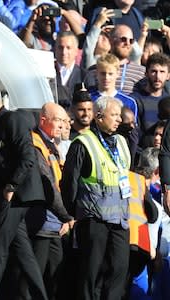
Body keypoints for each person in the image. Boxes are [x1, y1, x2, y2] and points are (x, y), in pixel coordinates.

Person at [0, 82, 47, 300]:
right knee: (24, 255)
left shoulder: (12, 120)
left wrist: (12, 186)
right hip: (7, 196)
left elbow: (27, 156)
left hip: (15, 198)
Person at [61, 96, 131, 300]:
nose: (119, 120)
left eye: (119, 115)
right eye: (114, 115)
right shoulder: (83, 143)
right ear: (99, 117)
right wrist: (70, 214)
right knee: (91, 271)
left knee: (119, 268)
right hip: (93, 219)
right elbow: (69, 182)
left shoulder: (121, 142)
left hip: (119, 219)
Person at [24, 102, 74, 300]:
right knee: (35, 280)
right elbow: (48, 186)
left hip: (55, 223)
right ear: (43, 121)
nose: (63, 125)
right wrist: (67, 216)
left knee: (54, 279)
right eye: (58, 120)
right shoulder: (35, 145)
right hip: (39, 224)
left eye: (64, 120)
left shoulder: (53, 146)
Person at [85, 24, 146, 95]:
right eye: (123, 39)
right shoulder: (95, 70)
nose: (127, 43)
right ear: (111, 41)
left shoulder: (140, 72)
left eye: (131, 41)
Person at [89, 53, 139, 121]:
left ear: (118, 73)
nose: (106, 77)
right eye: (103, 73)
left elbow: (132, 128)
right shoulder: (89, 98)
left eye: (110, 74)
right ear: (96, 73)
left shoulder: (129, 102)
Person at [131, 53, 170, 134]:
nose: (158, 76)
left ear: (168, 76)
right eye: (154, 71)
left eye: (162, 72)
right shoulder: (135, 101)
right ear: (146, 73)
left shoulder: (168, 101)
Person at [55, 31, 86, 108]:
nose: (64, 52)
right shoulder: (46, 72)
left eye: (68, 48)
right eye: (60, 47)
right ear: (55, 49)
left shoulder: (84, 76)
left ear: (76, 51)